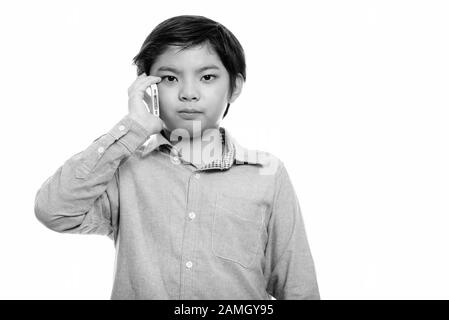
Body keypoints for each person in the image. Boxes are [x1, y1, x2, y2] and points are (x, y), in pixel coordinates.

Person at [34, 14, 320, 300]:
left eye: (207, 77)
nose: (189, 93)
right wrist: (133, 128)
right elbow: (54, 210)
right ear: (148, 88)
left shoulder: (267, 176)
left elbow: (297, 287)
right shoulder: (124, 169)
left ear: (234, 86)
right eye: (170, 78)